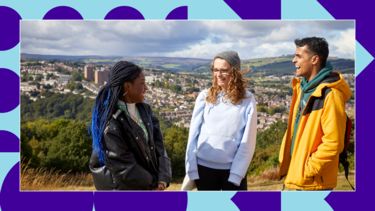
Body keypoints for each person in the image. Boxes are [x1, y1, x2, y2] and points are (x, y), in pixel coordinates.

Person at [278, 37, 352, 190]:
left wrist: (308, 169)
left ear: (315, 59)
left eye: (298, 56)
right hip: (295, 176)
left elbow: (333, 143)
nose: (293, 60)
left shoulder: (330, 95)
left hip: (313, 183)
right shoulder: (302, 89)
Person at [89, 61, 171, 190]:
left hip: (145, 186)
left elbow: (159, 147)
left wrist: (163, 178)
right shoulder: (110, 123)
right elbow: (124, 167)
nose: (146, 88)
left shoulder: (145, 111)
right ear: (127, 86)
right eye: (142, 83)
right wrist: (153, 183)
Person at [184, 51, 257, 190]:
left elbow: (248, 141)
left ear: (235, 72)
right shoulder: (204, 96)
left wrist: (236, 174)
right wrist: (191, 168)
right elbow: (193, 135)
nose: (218, 74)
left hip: (232, 171)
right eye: (215, 70)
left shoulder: (247, 100)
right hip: (204, 170)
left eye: (224, 70)